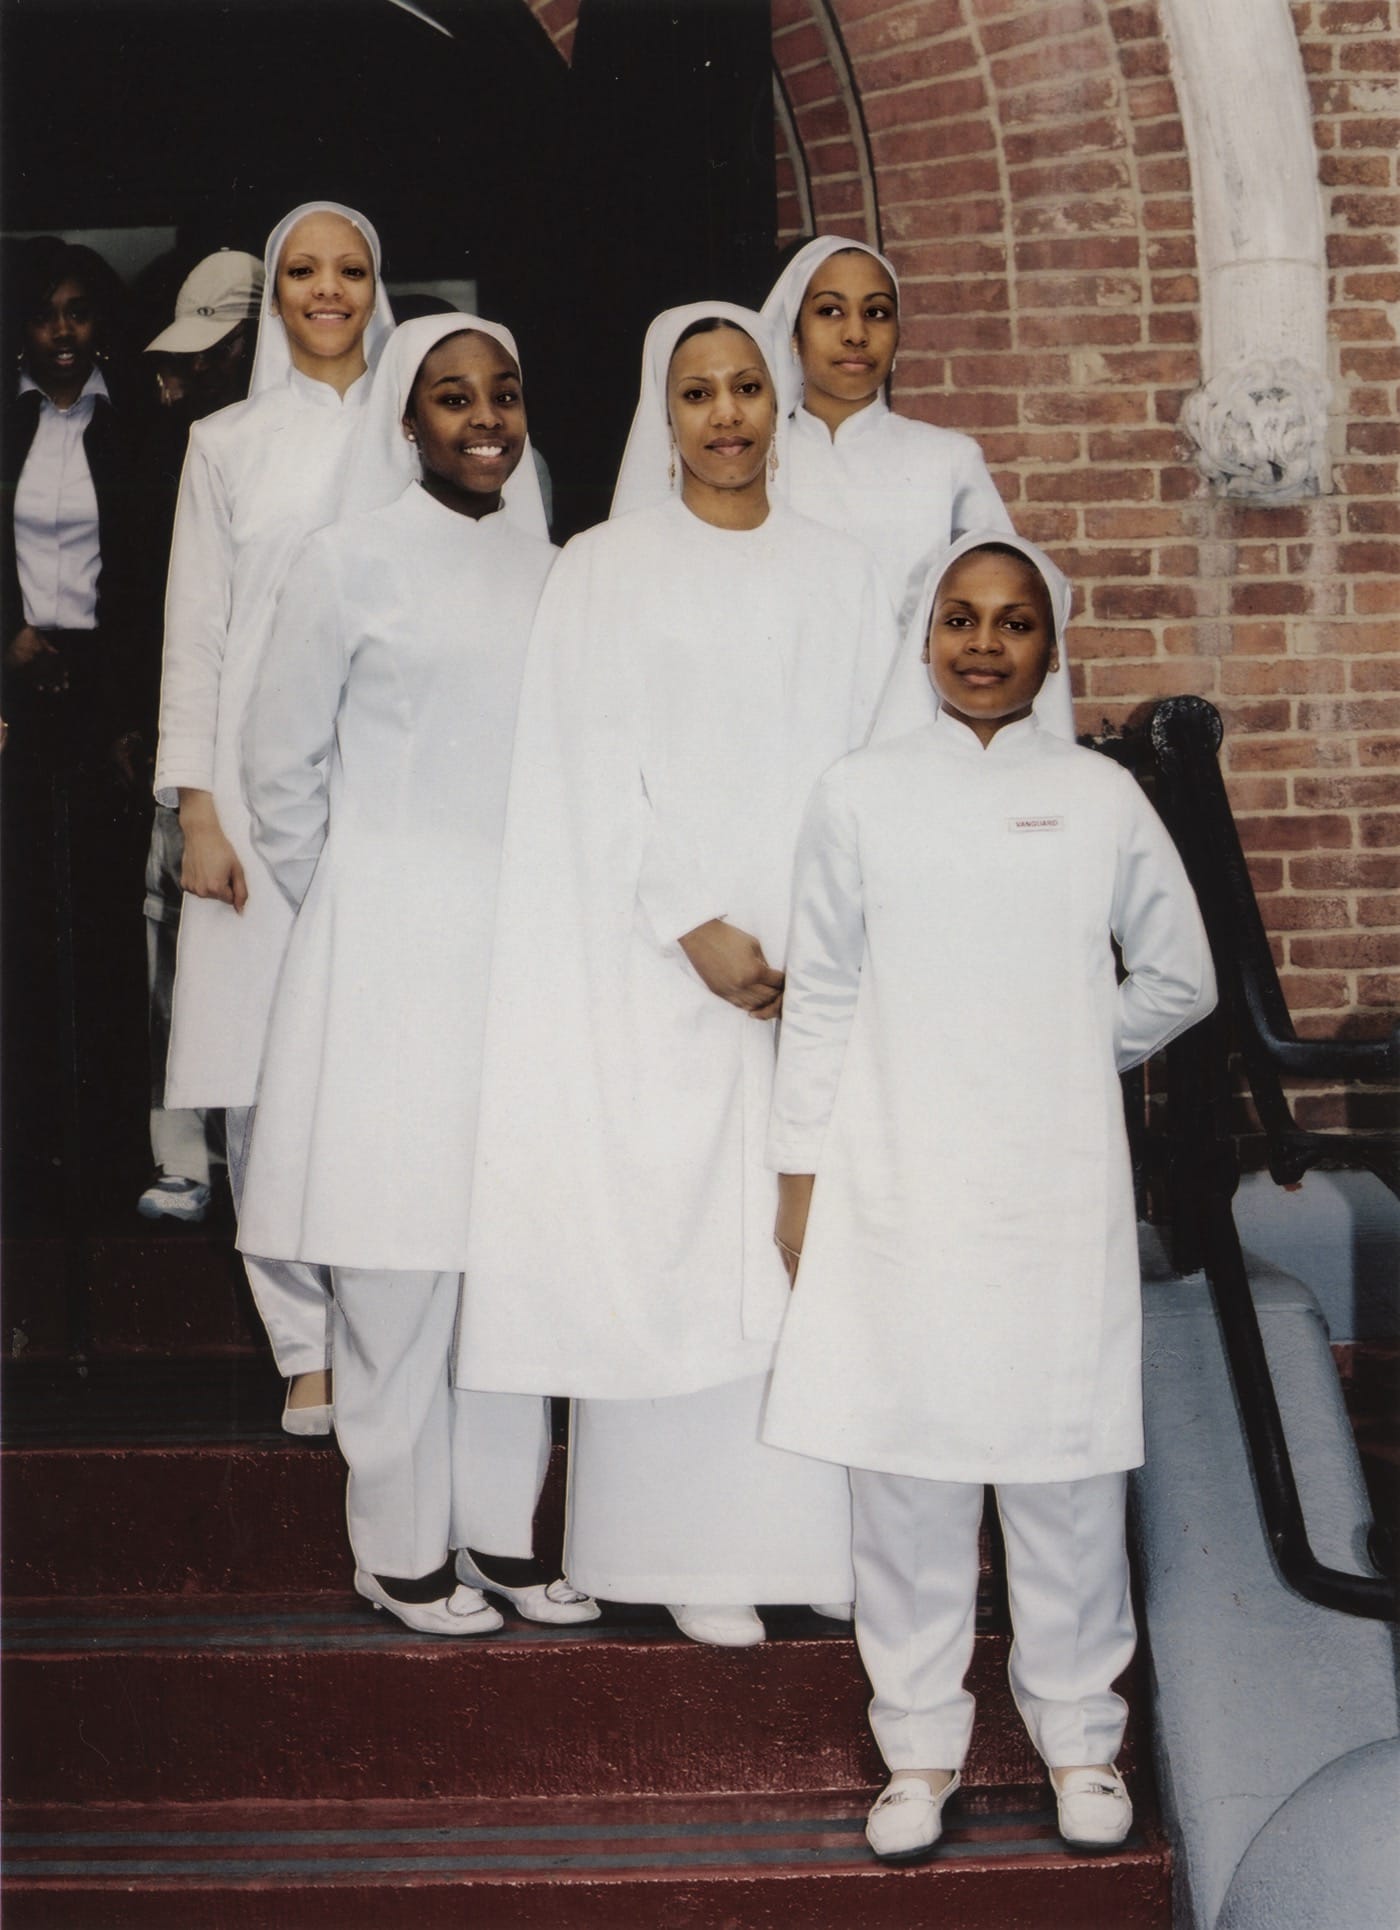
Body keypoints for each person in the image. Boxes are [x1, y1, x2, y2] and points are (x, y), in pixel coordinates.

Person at [762, 532, 1218, 1860]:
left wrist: (1076, 1043)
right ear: (924, 637)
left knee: (1062, 1466)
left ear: (1050, 645)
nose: (982, 643)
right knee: (904, 1474)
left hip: (1052, 1186)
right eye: (959, 618)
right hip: (893, 1176)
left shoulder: (1097, 799)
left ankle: (1081, 1740)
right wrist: (801, 1173)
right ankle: (916, 1748)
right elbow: (827, 995)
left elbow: (1179, 978)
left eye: (1013, 623)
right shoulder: (858, 793)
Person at [459, 302, 899, 1646]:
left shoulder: (851, 569)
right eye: (698, 393)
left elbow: (884, 754)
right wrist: (696, 923)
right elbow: (589, 770)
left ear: (777, 404)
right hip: (660, 965)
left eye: (747, 389)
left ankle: (817, 1542)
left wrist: (832, 927)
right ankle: (685, 1546)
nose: (726, 416)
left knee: (811, 1243)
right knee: (674, 1236)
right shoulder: (606, 566)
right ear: (666, 414)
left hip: (816, 962)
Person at [238, 313, 595, 1633]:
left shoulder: (556, 567)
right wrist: (368, 896)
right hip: (391, 952)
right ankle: (397, 1543)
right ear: (407, 419)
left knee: (508, 1250)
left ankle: (498, 1532)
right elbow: (280, 771)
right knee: (396, 1255)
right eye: (453, 397)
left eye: (505, 391)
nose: (487, 417)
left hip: (525, 953)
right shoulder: (349, 561)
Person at [153, 202, 394, 1431]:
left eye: (350, 270)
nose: (328, 291)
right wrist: (199, 809)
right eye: (303, 272)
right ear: (275, 294)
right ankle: (304, 1339)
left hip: (392, 789)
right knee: (256, 1071)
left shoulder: (424, 427)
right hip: (248, 794)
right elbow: (194, 633)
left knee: (375, 1063)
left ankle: (389, 1335)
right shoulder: (225, 443)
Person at [1, 238, 146, 1229]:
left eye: (79, 312)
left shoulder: (132, 424)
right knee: (20, 911)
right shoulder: (4, 421)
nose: (63, 332)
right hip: (14, 677)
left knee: (102, 916)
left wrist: (130, 704)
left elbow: (148, 566)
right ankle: (28, 1151)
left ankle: (105, 1156)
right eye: (47, 313)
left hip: (102, 689)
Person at [136, 249, 264, 1225]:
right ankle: (188, 1156)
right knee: (176, 949)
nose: (184, 374)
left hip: (277, 760)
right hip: (192, 760)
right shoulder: (181, 447)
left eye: (208, 353)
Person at [760, 234, 1013, 626]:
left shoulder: (948, 459)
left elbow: (1003, 598)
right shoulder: (758, 458)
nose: (856, 334)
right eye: (830, 310)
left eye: (876, 312)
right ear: (794, 335)